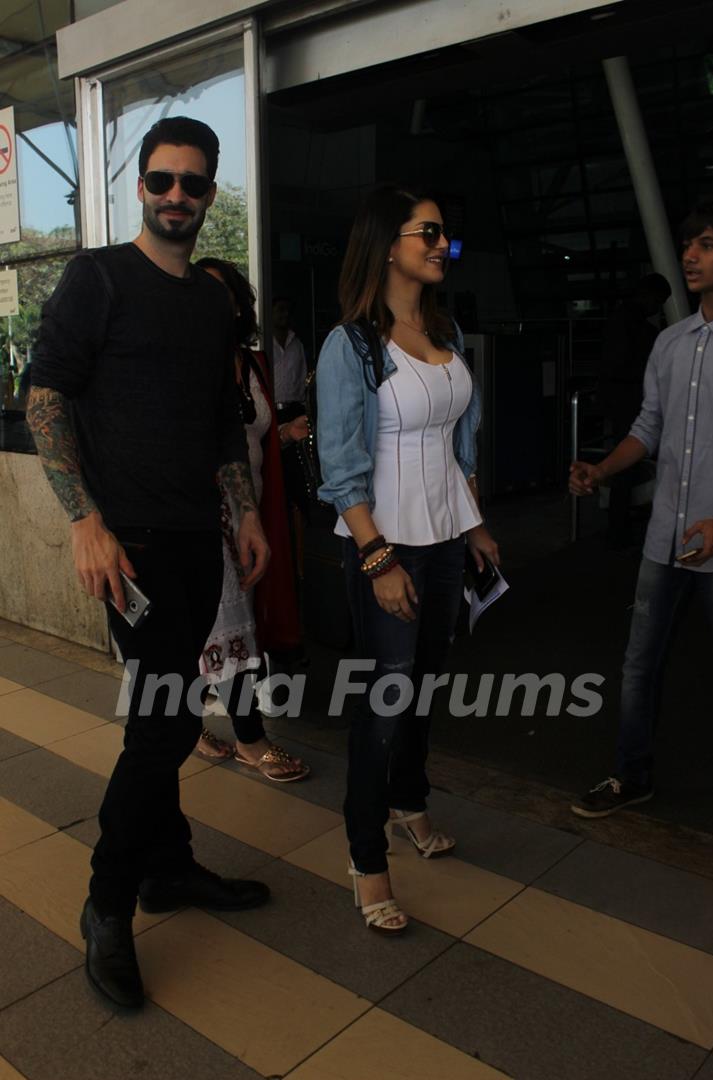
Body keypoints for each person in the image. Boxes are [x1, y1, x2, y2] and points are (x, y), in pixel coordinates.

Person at [26, 117, 271, 1010]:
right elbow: (46, 393)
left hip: (195, 541)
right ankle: (107, 901)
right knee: (164, 725)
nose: (177, 196)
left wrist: (241, 513)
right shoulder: (99, 277)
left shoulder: (210, 299)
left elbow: (217, 425)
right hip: (126, 547)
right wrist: (86, 521)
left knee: (174, 704)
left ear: (210, 193)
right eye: (162, 180)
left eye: (194, 184)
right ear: (140, 185)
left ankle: (168, 869)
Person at [316, 184, 499, 933]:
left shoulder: (444, 329)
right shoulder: (353, 345)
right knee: (383, 707)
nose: (439, 245)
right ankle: (366, 857)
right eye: (427, 232)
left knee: (423, 690)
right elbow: (339, 464)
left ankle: (409, 802)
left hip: (447, 541)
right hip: (385, 548)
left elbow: (462, 444)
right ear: (387, 243)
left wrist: (476, 525)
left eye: (444, 236)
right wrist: (378, 559)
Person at [569, 202, 713, 818]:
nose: (690, 255)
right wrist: (602, 469)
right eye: (688, 244)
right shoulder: (670, 342)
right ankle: (631, 776)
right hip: (666, 539)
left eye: (706, 244)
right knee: (639, 664)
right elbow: (648, 427)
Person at [193, 257, 310, 782]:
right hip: (204, 515)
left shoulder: (254, 362)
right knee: (222, 623)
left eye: (225, 294)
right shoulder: (186, 360)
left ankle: (187, 721)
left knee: (227, 623)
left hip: (254, 511)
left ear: (241, 304)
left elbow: (260, 437)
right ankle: (249, 737)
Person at [597, 273, 671, 548]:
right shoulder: (638, 328)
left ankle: (619, 527)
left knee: (623, 466)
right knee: (625, 468)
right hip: (628, 402)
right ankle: (619, 528)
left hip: (622, 402)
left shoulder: (623, 320)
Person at [272, 296, 307, 421]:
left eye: (288, 310)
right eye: (281, 310)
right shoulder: (263, 343)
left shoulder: (297, 345)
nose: (285, 314)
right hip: (271, 411)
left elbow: (303, 377)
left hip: (295, 411)